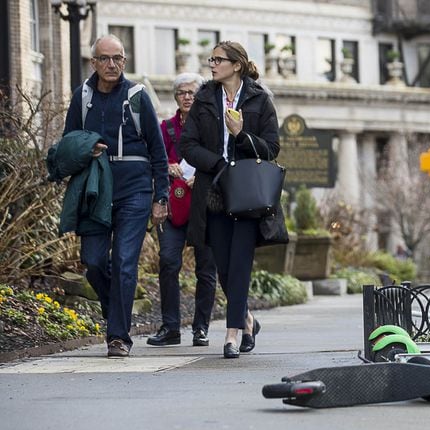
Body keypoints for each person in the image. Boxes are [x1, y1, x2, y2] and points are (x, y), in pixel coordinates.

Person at [62, 34, 169, 357]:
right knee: (93, 261)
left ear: (125, 60)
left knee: (124, 261)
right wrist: (85, 147)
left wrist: (160, 195)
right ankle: (115, 313)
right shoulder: (82, 96)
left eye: (118, 58)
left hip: (134, 189)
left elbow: (158, 151)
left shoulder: (137, 96)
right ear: (93, 62)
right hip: (95, 189)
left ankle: (118, 337)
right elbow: (68, 142)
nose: (112, 65)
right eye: (105, 59)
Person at [180, 41, 280, 358]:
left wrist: (241, 136)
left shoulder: (260, 100)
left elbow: (272, 148)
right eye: (211, 59)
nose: (211, 64)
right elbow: (188, 145)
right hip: (213, 191)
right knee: (222, 265)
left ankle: (232, 333)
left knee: (240, 264)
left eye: (217, 59)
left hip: (248, 191)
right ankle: (247, 320)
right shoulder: (204, 99)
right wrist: (218, 163)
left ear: (236, 65)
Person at [147, 73, 217, 348]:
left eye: (192, 92)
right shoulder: (165, 128)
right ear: (175, 97)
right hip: (173, 207)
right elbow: (154, 159)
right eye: (182, 93)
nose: (187, 97)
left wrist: (202, 174)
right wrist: (166, 167)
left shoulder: (211, 126)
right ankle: (171, 328)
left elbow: (220, 159)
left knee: (206, 269)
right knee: (168, 262)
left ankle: (201, 328)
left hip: (205, 207)